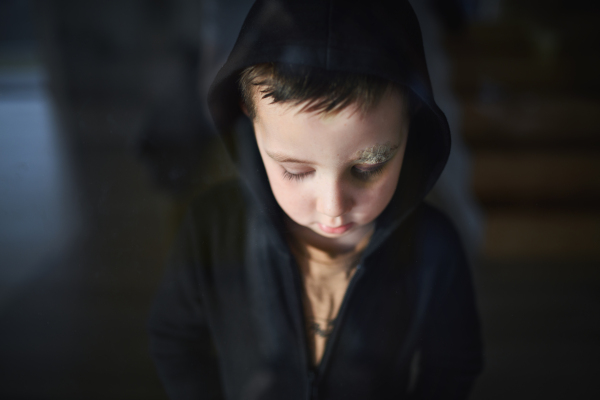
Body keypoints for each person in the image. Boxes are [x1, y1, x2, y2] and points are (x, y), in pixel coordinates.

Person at [148, 0, 484, 399]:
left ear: (411, 117)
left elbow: (453, 364)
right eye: (296, 171)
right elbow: (174, 340)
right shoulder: (212, 229)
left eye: (367, 167)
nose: (332, 207)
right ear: (249, 116)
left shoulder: (434, 248)